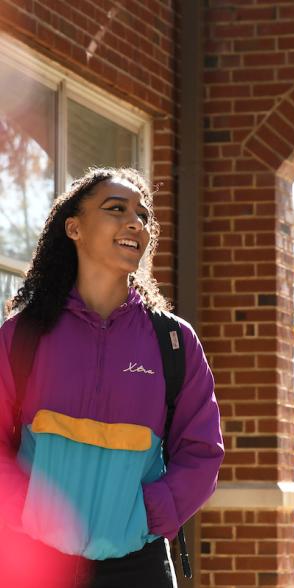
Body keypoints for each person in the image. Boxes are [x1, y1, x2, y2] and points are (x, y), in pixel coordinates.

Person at [0, 167, 224, 588]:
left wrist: (147, 515)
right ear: (74, 227)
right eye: (115, 209)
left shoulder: (174, 341)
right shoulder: (23, 335)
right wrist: (22, 506)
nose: (135, 223)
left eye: (142, 216)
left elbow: (201, 452)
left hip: (137, 565)